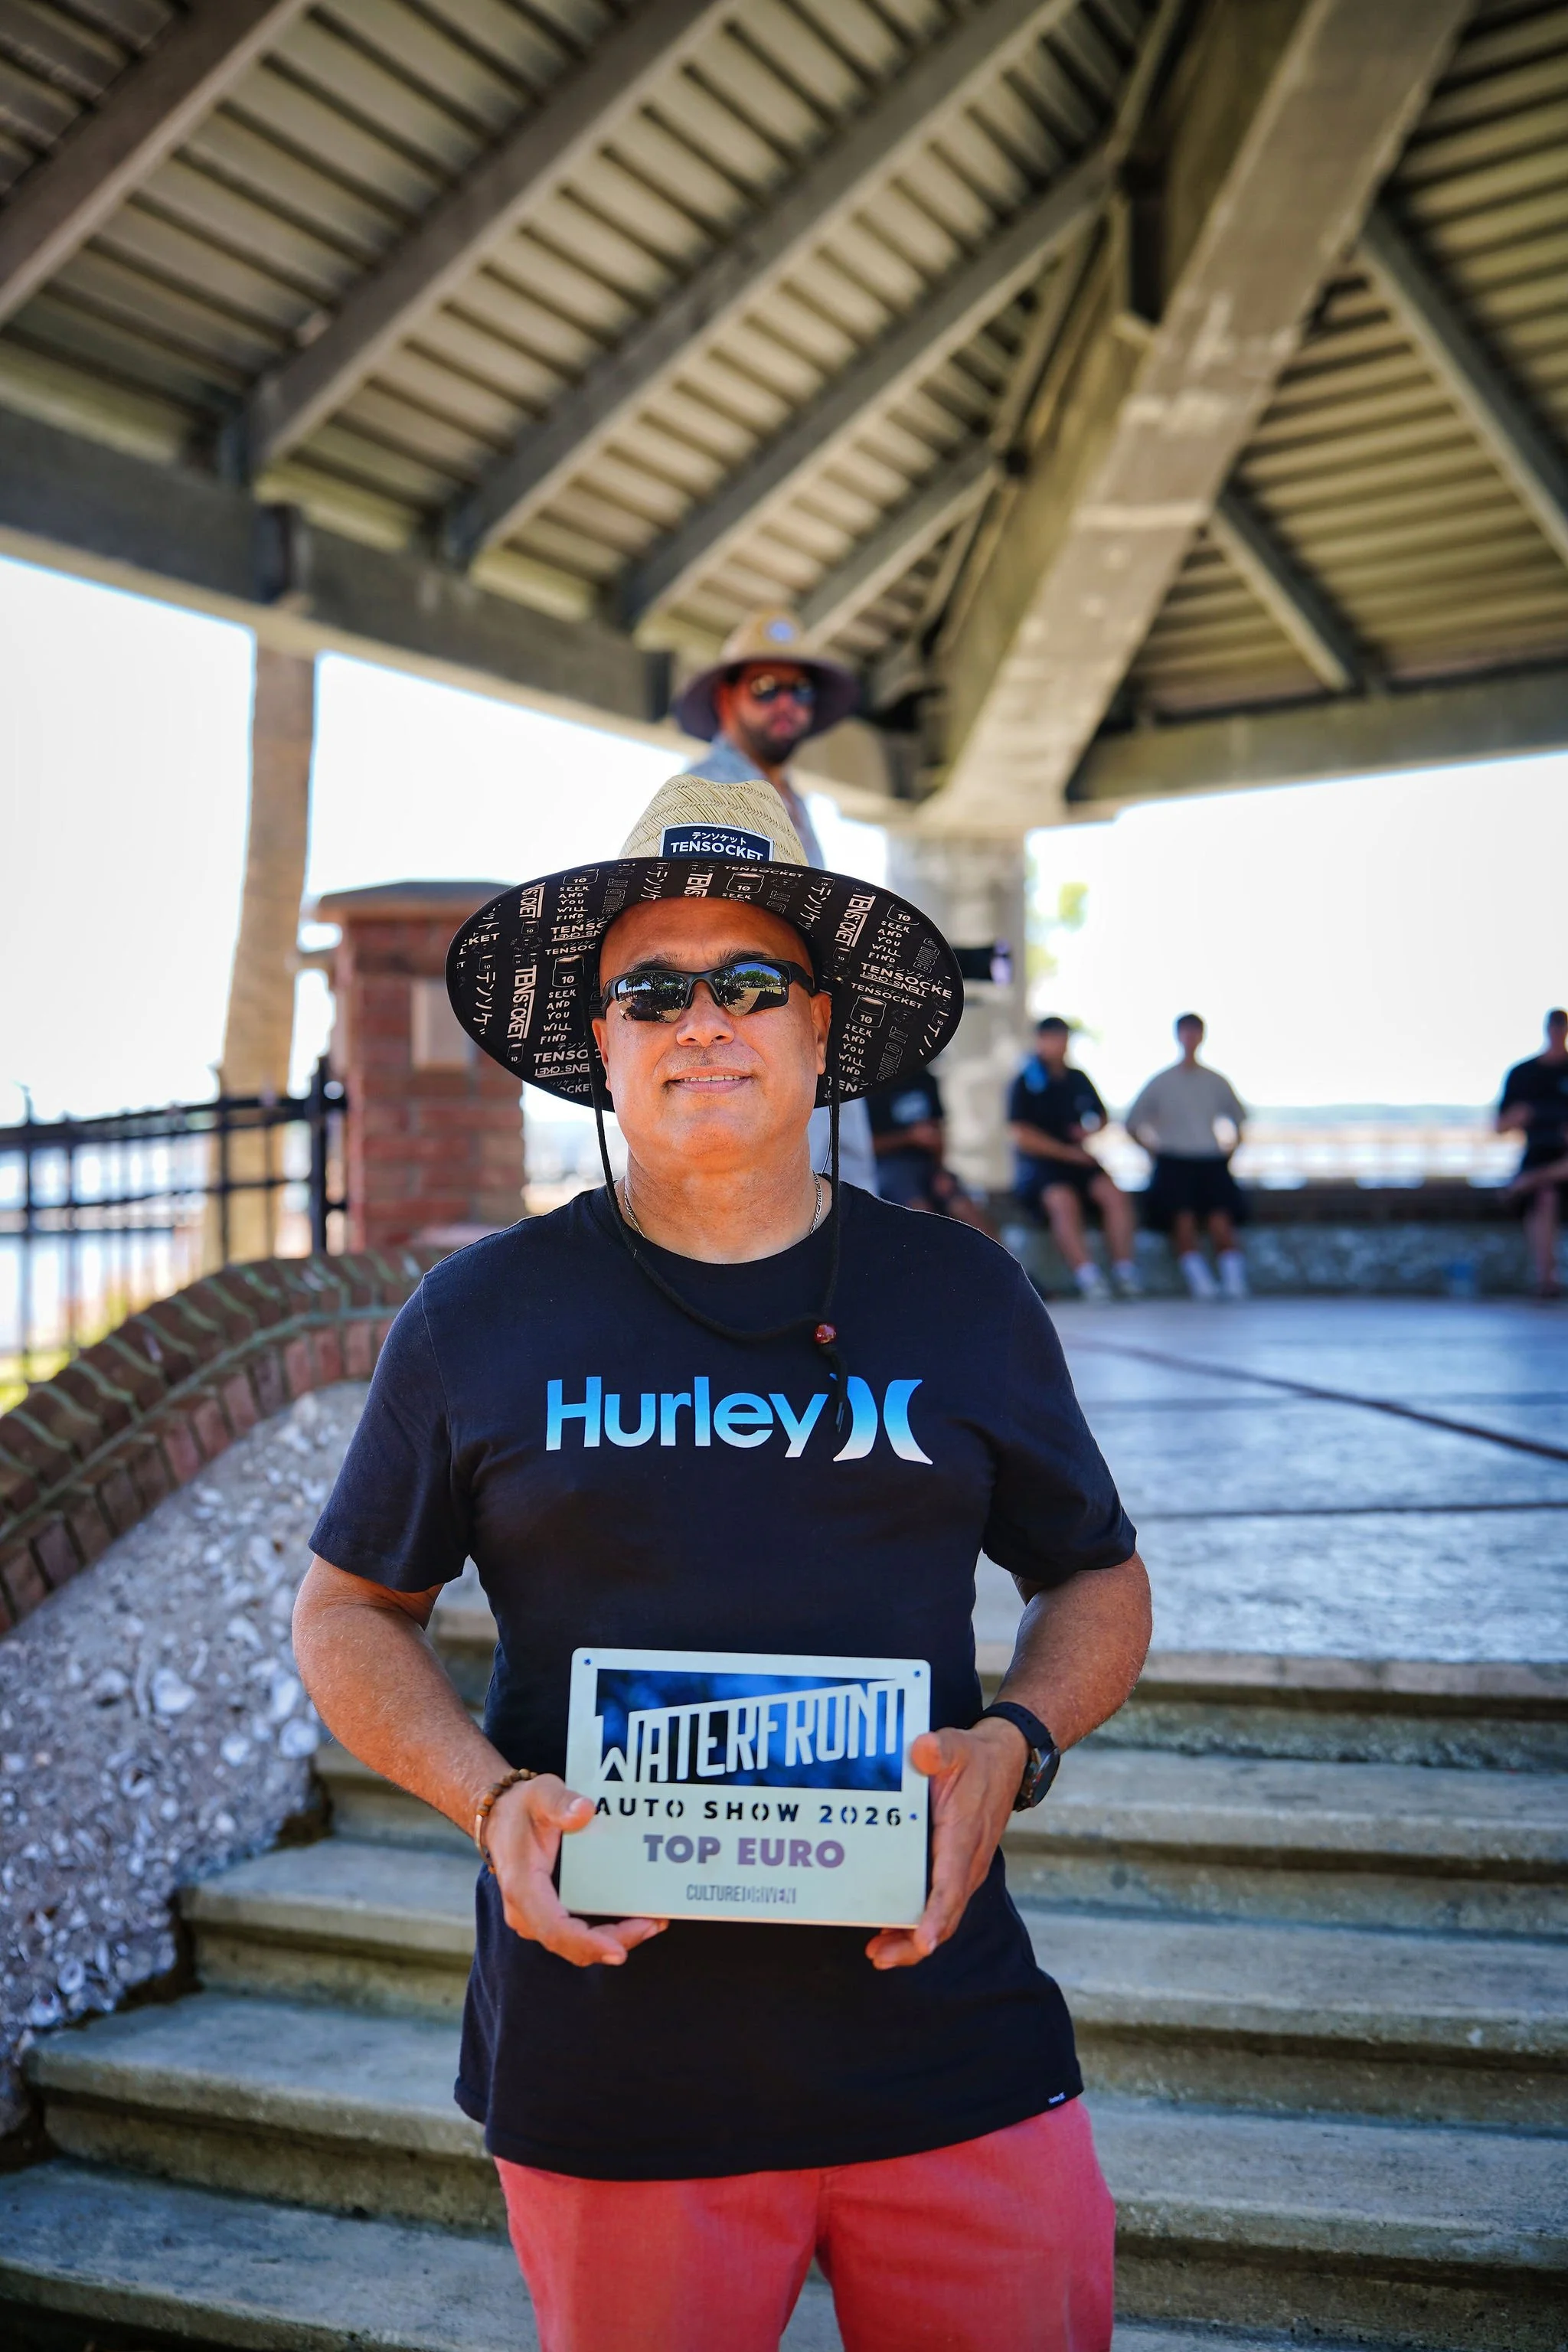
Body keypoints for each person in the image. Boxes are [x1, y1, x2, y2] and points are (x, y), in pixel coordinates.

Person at [292, 770, 1150, 2352]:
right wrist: (488, 1798)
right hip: (611, 2060)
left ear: (821, 1030)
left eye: (753, 981)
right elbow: (351, 1611)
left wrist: (1013, 1744)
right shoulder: (477, 1317)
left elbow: (1093, 1575)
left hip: (948, 2040)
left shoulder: (963, 1299)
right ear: (598, 1040)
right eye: (654, 990)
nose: (706, 1020)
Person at [673, 607, 880, 1195]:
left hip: (805, 1028)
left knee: (838, 1199)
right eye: (766, 688)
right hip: (746, 1035)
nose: (787, 703)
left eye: (801, 690)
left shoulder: (793, 799)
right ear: (725, 698)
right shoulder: (705, 792)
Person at [1008, 1017, 1140, 1300]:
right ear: (1041, 1041)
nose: (1061, 1045)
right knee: (1062, 1201)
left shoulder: (1077, 1078)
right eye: (1054, 1038)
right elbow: (1021, 1134)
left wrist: (1087, 1131)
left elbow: (1101, 1116)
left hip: (1079, 1161)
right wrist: (1065, 1152)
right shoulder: (1025, 1081)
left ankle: (1125, 1274)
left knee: (1115, 1196)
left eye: (1064, 1038)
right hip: (1042, 1168)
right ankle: (1090, 1278)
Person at [1125, 1014, 1250, 1301]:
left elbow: (1239, 1121)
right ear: (1178, 1036)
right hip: (1174, 1160)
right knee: (1181, 1222)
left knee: (1221, 1221)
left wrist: (1229, 1152)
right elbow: (1132, 1124)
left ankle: (1234, 1283)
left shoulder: (1217, 1081)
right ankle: (1202, 1284)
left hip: (1210, 1159)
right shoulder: (1161, 1081)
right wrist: (1154, 1153)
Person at [864, 1066, 991, 1229]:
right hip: (890, 1168)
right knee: (920, 1211)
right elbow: (868, 1146)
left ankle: (1001, 1253)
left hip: (927, 1163)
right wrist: (909, 1137)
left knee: (964, 1207)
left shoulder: (925, 1079)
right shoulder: (872, 1087)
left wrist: (940, 1170)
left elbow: (939, 1132)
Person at [1498, 1008, 1568, 1301]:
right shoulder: (1523, 1073)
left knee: (1545, 1184)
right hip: (1539, 1156)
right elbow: (1499, 1126)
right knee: (1546, 1197)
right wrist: (1520, 1116)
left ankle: (1524, 1183)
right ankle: (1546, 1280)